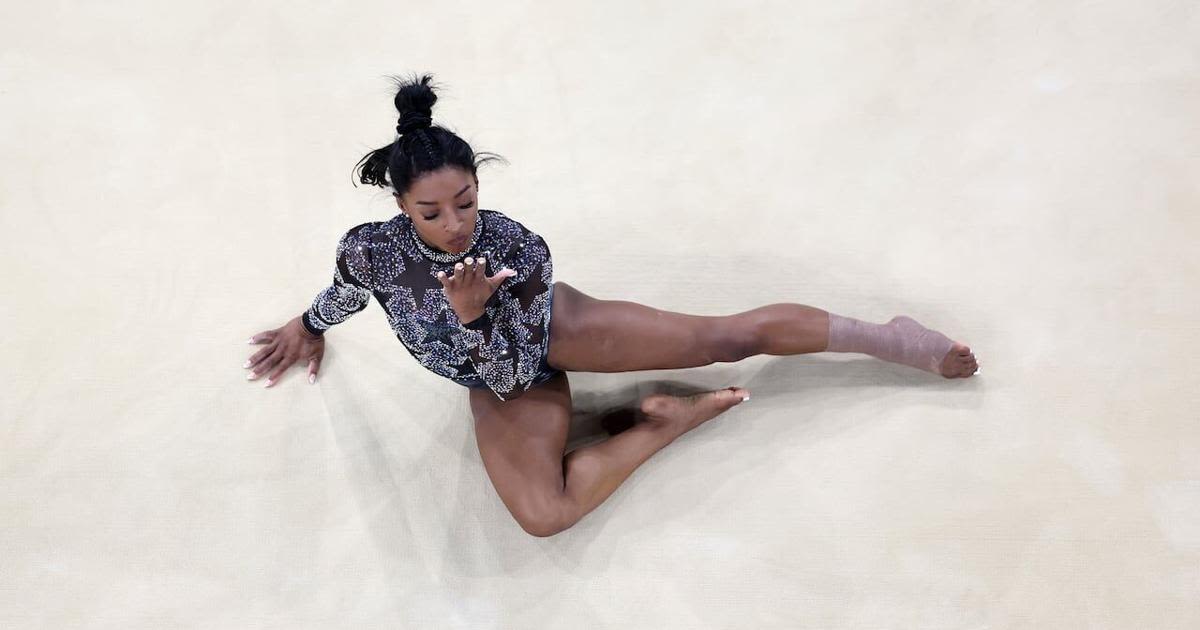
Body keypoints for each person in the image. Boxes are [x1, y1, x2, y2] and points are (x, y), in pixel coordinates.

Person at [244, 72, 981, 538]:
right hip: (493, 382)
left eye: (466, 201)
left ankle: (888, 337)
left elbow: (523, 363)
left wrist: (476, 314)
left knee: (724, 337)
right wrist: (308, 326)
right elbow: (355, 295)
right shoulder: (371, 248)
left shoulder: (517, 248)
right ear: (400, 205)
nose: (456, 222)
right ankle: (669, 421)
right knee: (543, 516)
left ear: (478, 186)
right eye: (432, 212)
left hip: (552, 341)